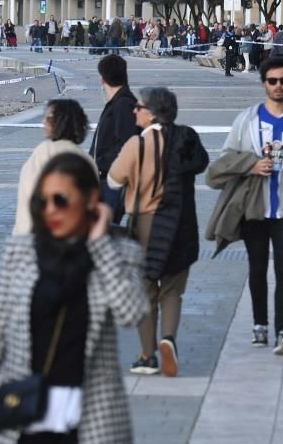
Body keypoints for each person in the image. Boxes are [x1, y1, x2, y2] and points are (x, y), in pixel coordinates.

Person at [0, 154, 148, 444]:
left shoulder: (120, 255)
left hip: (93, 425)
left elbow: (132, 313)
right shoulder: (21, 252)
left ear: (90, 199)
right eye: (42, 202)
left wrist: (99, 246)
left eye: (60, 200)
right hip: (25, 417)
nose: (50, 211)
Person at [212, 56, 283, 355]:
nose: (278, 86)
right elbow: (226, 157)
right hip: (254, 208)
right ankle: (260, 324)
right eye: (272, 81)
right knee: (257, 269)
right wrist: (251, 165)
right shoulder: (247, 119)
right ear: (264, 84)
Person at [108, 87, 208, 376]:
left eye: (139, 107)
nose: (134, 111)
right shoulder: (185, 138)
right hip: (181, 221)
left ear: (152, 113)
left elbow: (114, 181)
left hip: (145, 222)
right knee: (173, 289)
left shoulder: (136, 146)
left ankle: (147, 356)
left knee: (146, 290)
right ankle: (169, 338)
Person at [14, 99, 98, 236]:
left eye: (49, 118)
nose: (43, 122)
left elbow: (32, 198)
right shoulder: (87, 159)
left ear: (62, 121)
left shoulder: (44, 152)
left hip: (40, 240)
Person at [90, 55, 139, 224]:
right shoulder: (119, 102)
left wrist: (99, 162)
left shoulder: (123, 105)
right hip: (107, 179)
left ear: (102, 80)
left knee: (104, 231)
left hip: (111, 181)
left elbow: (127, 145)